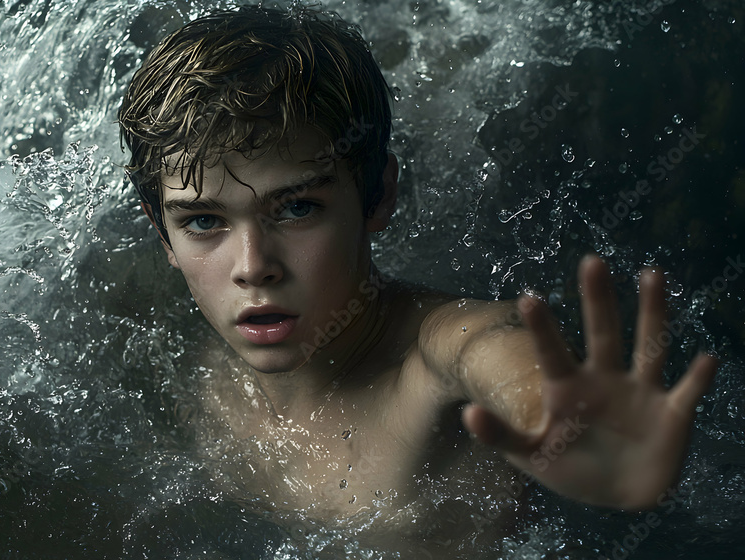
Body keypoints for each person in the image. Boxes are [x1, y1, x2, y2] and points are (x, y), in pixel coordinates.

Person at [117, 3, 717, 551]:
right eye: (203, 221)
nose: (252, 267)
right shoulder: (197, 380)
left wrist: (582, 438)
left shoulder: (430, 361)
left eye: (297, 208)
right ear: (162, 232)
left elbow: (489, 347)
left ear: (379, 195)